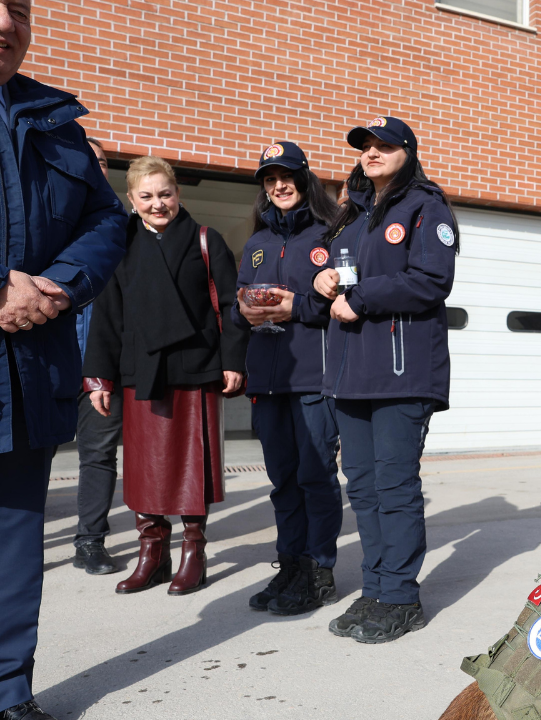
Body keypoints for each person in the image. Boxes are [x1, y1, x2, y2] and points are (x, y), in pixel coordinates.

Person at [0, 3, 130, 717]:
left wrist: (59, 284)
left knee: (16, 554)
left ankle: (9, 693)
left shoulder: (58, 125)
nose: (4, 21)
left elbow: (107, 220)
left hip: (29, 377)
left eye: (18, 6)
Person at [311, 116, 457, 644]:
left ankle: (400, 598)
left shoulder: (425, 207)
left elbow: (431, 280)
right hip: (352, 376)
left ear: (407, 152)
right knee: (366, 489)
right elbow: (336, 282)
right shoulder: (349, 218)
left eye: (384, 145)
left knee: (395, 488)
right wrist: (321, 279)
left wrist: (362, 298)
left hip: (402, 374)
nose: (372, 152)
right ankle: (374, 589)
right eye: (365, 146)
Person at [82, 155, 248, 597]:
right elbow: (107, 316)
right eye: (147, 196)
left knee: (192, 463)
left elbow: (231, 307)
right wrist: (99, 376)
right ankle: (151, 553)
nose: (159, 204)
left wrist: (234, 360)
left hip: (194, 366)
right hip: (141, 370)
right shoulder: (121, 245)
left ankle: (194, 551)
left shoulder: (205, 240)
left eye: (166, 194)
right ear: (132, 201)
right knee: (143, 467)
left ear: (179, 194)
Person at [232, 141, 344, 615]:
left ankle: (319, 570)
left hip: (312, 378)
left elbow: (339, 304)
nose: (279, 185)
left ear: (304, 180)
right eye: (270, 178)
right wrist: (243, 309)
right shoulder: (256, 243)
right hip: (267, 379)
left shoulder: (327, 235)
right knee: (282, 481)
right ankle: (291, 564)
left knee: (315, 478)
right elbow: (238, 306)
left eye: (288, 176)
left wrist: (293, 305)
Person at [71, 137, 125, 575]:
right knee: (23, 457)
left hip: (102, 366)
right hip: (43, 360)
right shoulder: (48, 218)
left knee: (99, 454)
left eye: (103, 161)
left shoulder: (120, 226)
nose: (95, 167)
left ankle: (90, 542)